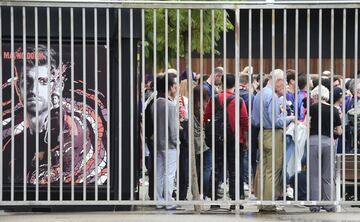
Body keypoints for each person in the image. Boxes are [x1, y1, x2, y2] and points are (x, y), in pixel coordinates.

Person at [2, 45, 107, 185]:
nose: (33, 90)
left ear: (58, 85)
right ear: (17, 86)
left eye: (43, 81)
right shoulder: (13, 144)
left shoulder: (74, 135)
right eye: (26, 81)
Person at [252, 69, 295, 212]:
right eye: (283, 82)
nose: (284, 86)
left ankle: (262, 202)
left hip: (262, 133)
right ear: (277, 80)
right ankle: (269, 203)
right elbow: (276, 121)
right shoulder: (273, 97)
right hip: (273, 134)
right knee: (273, 170)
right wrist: (291, 118)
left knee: (263, 169)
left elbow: (254, 119)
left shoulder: (259, 94)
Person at [204, 74, 248, 210]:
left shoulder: (215, 98)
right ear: (234, 84)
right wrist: (245, 139)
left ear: (222, 83)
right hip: (235, 139)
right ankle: (236, 201)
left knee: (216, 168)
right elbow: (245, 121)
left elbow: (206, 116)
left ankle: (213, 200)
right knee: (235, 169)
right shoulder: (239, 100)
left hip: (218, 139)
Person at [308, 85, 342, 212]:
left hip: (313, 142)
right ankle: (328, 204)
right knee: (327, 175)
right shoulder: (334, 110)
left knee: (314, 175)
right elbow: (339, 131)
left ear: (315, 96)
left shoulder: (312, 108)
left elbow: (307, 124)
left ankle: (315, 205)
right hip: (329, 142)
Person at [151, 74, 179, 210]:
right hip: (169, 144)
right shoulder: (170, 105)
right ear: (170, 87)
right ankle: (169, 200)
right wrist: (176, 142)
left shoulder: (154, 104)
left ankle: (159, 200)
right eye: (174, 85)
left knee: (159, 172)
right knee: (170, 173)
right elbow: (173, 128)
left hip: (157, 143)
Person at [193, 85, 212, 200]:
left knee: (197, 167)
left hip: (194, 142)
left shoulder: (191, 107)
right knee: (206, 167)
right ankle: (203, 193)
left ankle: (196, 191)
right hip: (205, 142)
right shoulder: (204, 108)